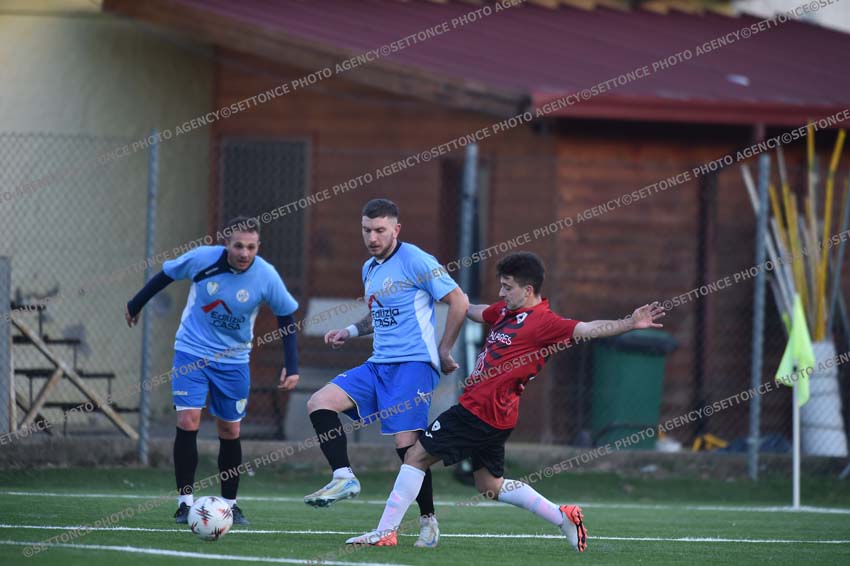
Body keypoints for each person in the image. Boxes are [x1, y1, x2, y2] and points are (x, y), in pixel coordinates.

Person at [345, 251, 665, 552]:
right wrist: (446, 295)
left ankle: (385, 532)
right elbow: (473, 310)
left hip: (477, 413)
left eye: (507, 287)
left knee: (415, 456)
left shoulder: (545, 323)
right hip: (496, 417)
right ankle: (562, 516)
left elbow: (588, 329)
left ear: (528, 290)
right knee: (490, 485)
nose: (501, 293)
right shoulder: (505, 311)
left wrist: (629, 323)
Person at [305, 198, 469, 548]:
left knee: (408, 448)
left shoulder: (416, 260)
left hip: (413, 365)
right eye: (367, 230)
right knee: (320, 402)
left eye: (380, 230)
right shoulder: (369, 268)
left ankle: (427, 520)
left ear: (397, 229)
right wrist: (349, 331)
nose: (372, 237)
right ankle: (344, 477)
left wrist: (444, 350)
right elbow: (377, 314)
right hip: (379, 364)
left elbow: (459, 301)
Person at [125, 216, 300, 525]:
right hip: (191, 351)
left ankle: (231, 505)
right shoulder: (202, 259)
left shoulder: (266, 275)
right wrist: (135, 303)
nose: (244, 253)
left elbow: (286, 316)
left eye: (251, 247)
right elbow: (166, 275)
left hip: (234, 361)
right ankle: (184, 504)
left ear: (258, 247)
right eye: (238, 246)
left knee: (230, 430)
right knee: (187, 420)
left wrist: (292, 365)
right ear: (226, 243)